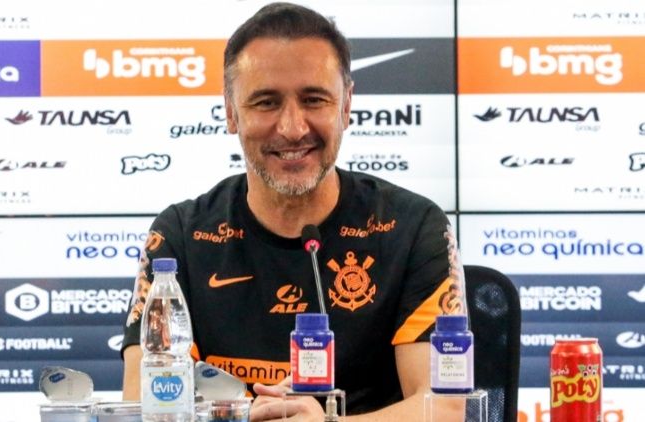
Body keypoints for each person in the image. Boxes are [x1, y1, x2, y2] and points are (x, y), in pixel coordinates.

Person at [122, 2, 465, 420]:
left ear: (346, 105)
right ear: (230, 112)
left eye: (314, 99)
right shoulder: (179, 237)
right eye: (266, 102)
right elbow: (145, 406)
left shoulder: (412, 227)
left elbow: (445, 408)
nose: (292, 128)